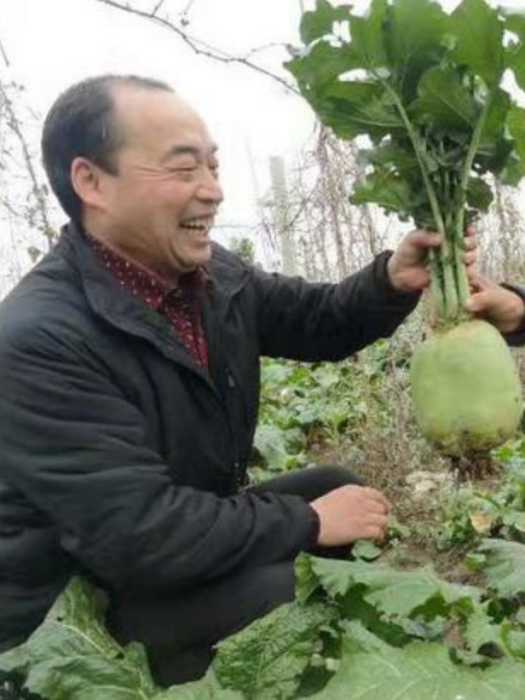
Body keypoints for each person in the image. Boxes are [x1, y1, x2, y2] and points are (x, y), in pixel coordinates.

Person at [0, 75, 481, 686]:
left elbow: (316, 320)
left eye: (213, 166)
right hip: (76, 608)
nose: (212, 191)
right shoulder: (39, 336)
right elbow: (138, 533)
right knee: (295, 595)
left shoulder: (207, 276)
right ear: (91, 181)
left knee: (334, 486)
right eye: (183, 170)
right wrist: (307, 523)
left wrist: (391, 278)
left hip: (173, 543)